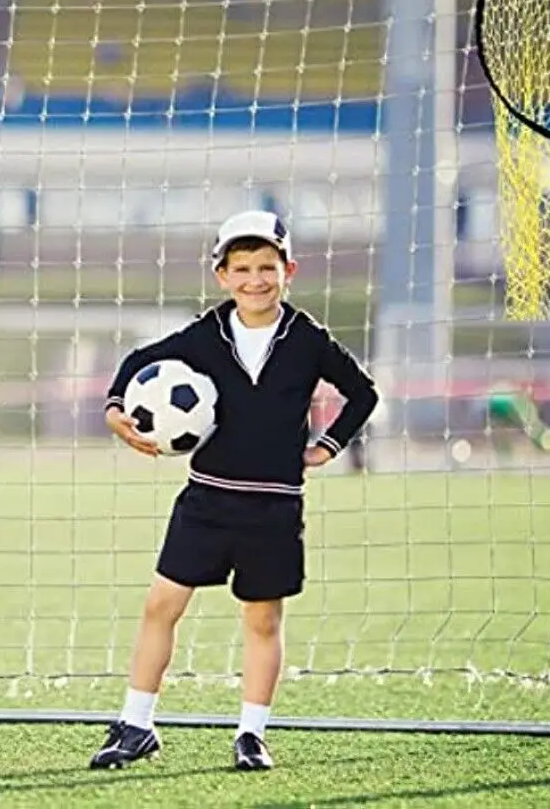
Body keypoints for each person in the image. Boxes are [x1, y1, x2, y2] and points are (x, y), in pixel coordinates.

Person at [90, 210, 378, 772]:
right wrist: (115, 409)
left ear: (288, 269)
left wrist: (328, 446)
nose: (255, 279)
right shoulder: (205, 336)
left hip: (274, 506)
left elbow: (362, 394)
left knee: (262, 620)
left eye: (267, 267)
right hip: (206, 501)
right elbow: (137, 362)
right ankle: (136, 724)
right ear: (221, 274)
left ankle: (251, 734)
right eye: (241, 268)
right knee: (160, 606)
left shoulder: (308, 339)